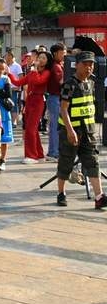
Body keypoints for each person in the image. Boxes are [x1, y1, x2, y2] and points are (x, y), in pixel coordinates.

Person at [55, 51, 107, 209]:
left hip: (88, 131)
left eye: (91, 64)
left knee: (93, 162)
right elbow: (64, 110)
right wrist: (70, 131)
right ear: (76, 65)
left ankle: (99, 196)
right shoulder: (69, 84)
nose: (89, 67)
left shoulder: (91, 82)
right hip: (70, 131)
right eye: (85, 64)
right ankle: (61, 193)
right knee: (66, 162)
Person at [8, 50, 52, 163]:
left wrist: (34, 70)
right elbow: (19, 82)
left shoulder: (46, 72)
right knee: (32, 130)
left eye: (43, 58)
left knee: (30, 130)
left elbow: (38, 81)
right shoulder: (33, 71)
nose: (40, 60)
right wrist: (8, 74)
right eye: (39, 58)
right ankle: (39, 155)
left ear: (47, 62)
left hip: (38, 101)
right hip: (29, 101)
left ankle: (32, 156)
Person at [46, 43, 66, 161]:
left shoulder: (57, 65)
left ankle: (53, 151)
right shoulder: (56, 67)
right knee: (55, 126)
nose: (64, 54)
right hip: (55, 98)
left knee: (54, 125)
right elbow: (61, 83)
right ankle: (54, 152)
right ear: (55, 53)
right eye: (62, 52)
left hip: (54, 98)